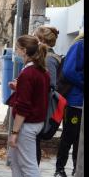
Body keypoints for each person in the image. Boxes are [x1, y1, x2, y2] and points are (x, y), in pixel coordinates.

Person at [0, 35, 50, 177]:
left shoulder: (28, 73)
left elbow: (24, 107)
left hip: (27, 124)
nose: (16, 51)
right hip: (34, 122)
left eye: (17, 48)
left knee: (27, 164)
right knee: (17, 161)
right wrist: (18, 88)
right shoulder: (41, 71)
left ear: (24, 51)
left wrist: (14, 132)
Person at [54, 32, 84, 177]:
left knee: (80, 139)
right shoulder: (80, 45)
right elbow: (68, 71)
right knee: (69, 136)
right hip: (74, 102)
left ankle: (76, 171)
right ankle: (59, 170)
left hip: (80, 101)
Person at [33, 26, 61, 164]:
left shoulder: (49, 59)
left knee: (35, 143)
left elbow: (51, 85)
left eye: (35, 37)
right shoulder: (47, 56)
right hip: (40, 105)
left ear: (42, 39)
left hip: (42, 107)